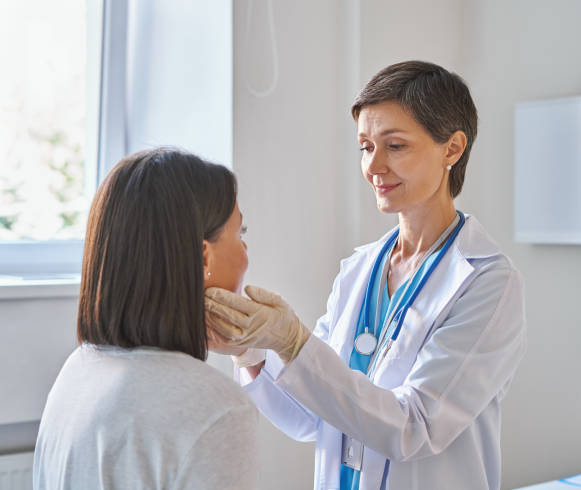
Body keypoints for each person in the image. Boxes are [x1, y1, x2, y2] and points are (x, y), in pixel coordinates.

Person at [205, 61, 527, 490]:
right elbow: (311, 418)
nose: (374, 166)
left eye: (394, 146)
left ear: (452, 148)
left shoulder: (487, 283)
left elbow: (415, 428)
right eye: (364, 147)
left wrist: (296, 344)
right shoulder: (360, 269)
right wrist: (251, 354)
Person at [33, 148, 256, 490]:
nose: (245, 254)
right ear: (203, 256)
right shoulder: (216, 408)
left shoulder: (78, 370)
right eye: (240, 234)